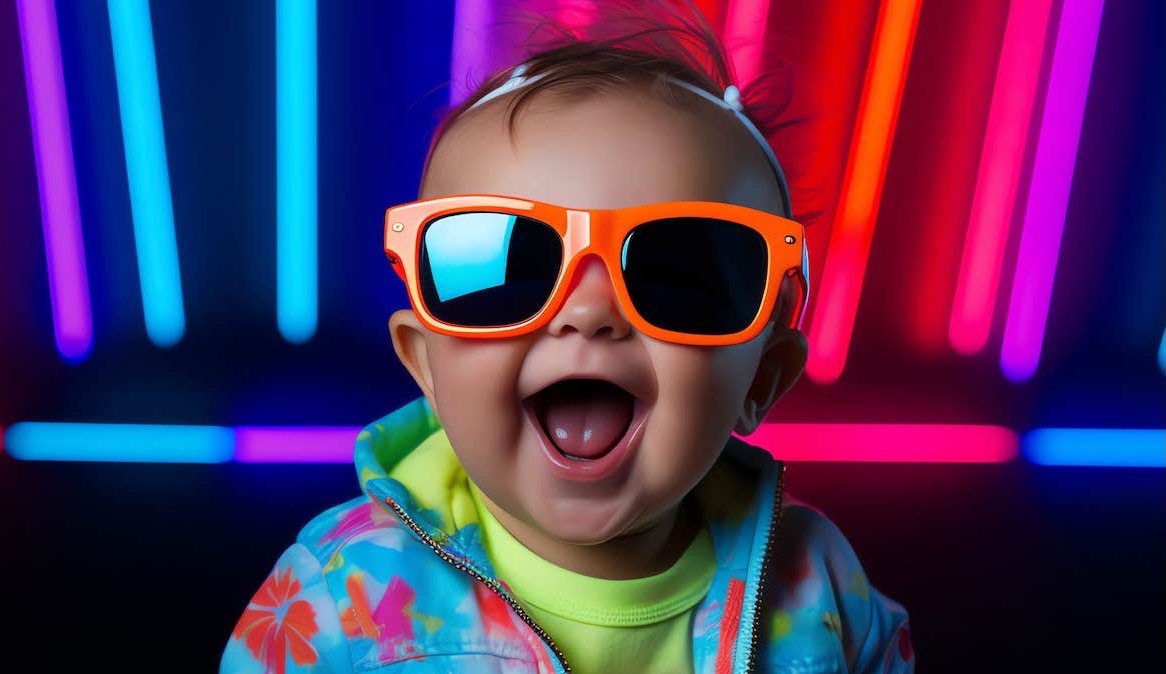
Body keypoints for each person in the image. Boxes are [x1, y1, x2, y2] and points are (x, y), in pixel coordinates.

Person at [220, 2, 912, 672]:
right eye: (513, 269)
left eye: (675, 275)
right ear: (426, 365)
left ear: (758, 383)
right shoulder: (335, 605)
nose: (586, 313)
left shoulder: (821, 589)